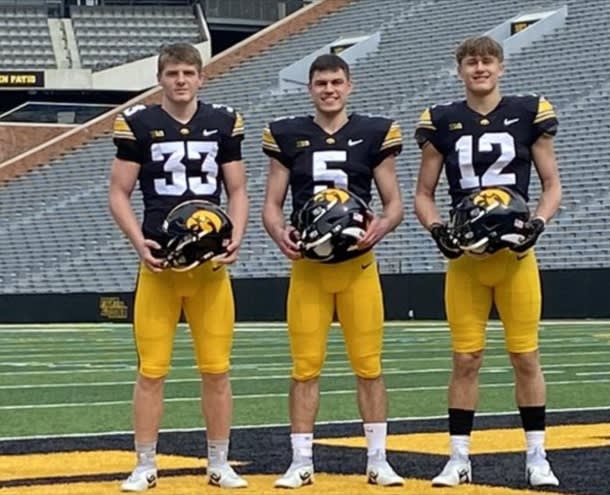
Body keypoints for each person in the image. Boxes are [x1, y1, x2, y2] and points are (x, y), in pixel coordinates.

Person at [414, 35, 562, 488]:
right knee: (466, 359)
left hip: (516, 257)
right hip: (467, 261)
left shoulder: (527, 112)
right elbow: (424, 193)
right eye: (471, 62)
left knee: (525, 356)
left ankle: (537, 457)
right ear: (459, 69)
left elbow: (552, 184)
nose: (480, 69)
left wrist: (536, 223)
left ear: (501, 67)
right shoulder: (442, 120)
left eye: (487, 61)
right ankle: (459, 457)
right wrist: (438, 230)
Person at [108, 42, 249, 492]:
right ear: (160, 79)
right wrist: (138, 243)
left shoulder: (222, 122)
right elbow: (118, 192)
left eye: (189, 72)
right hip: (161, 266)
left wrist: (237, 235)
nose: (181, 80)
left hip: (208, 267)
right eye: (173, 74)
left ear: (201, 77)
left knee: (217, 368)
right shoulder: (139, 123)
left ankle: (219, 462)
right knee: (151, 370)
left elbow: (239, 190)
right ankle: (145, 463)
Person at [261, 53, 405, 488]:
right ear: (310, 88)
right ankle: (301, 460)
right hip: (310, 268)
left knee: (369, 365)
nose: (329, 89)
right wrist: (277, 232)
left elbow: (393, 202)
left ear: (349, 85)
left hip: (358, 265)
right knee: (305, 367)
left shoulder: (372, 133)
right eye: (321, 83)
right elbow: (271, 203)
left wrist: (381, 226)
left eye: (336, 82)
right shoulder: (288, 135)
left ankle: (378, 460)